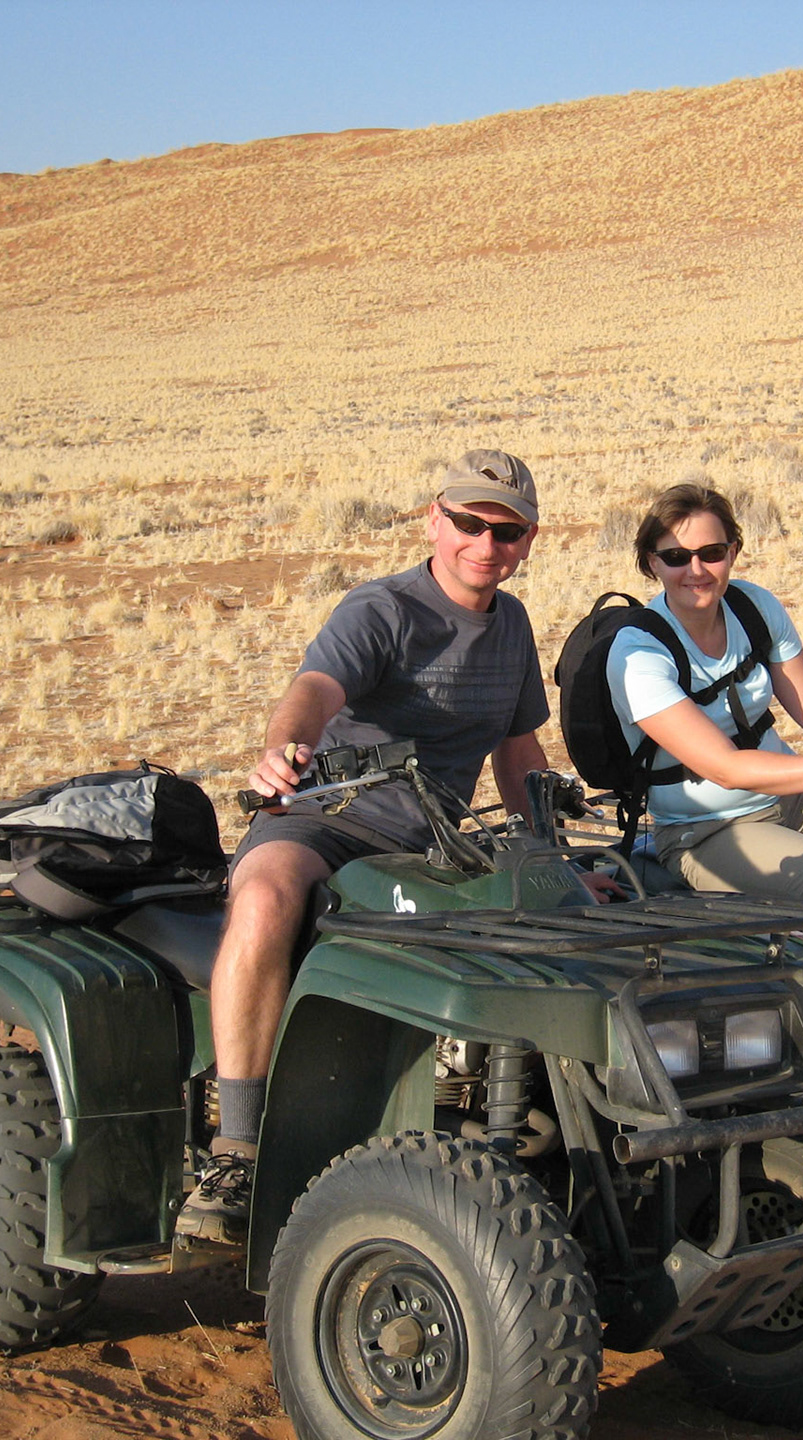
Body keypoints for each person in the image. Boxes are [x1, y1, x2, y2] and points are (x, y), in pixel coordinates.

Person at [177, 449, 554, 1247]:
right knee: (268, 891)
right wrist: (285, 748)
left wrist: (552, 853)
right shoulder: (381, 609)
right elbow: (314, 691)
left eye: (505, 531)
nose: (484, 544)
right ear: (434, 520)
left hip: (441, 838)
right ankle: (237, 1146)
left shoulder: (513, 626)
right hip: (332, 817)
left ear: (526, 543)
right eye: (468, 523)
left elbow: (519, 756)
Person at [603, 483, 803, 1044]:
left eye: (711, 553)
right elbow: (726, 769)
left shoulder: (753, 607)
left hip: (789, 793)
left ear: (733, 552)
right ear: (652, 563)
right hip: (707, 829)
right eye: (676, 557)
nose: (696, 570)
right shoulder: (638, 652)